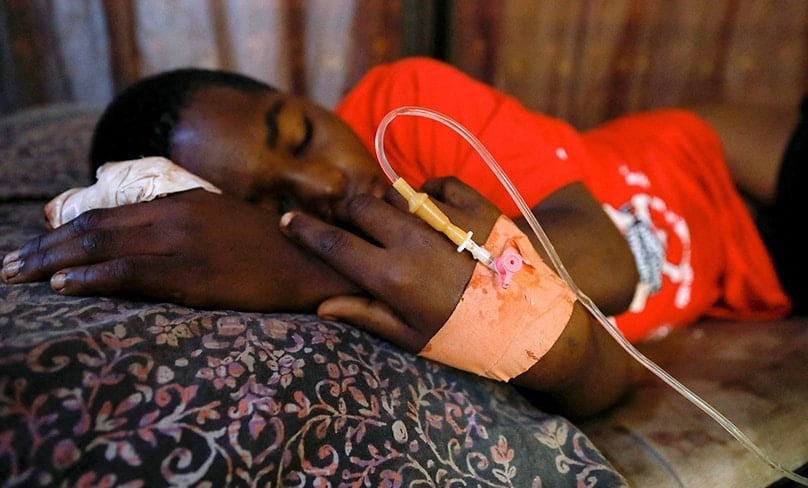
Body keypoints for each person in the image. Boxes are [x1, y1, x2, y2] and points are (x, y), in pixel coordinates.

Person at [0, 58, 801, 417]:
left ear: (309, 98)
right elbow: (595, 378)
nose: (324, 186)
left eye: (301, 134)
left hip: (718, 161)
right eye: (272, 201)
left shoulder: (404, 106)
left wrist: (287, 260)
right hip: (755, 278)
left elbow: (606, 262)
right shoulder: (356, 290)